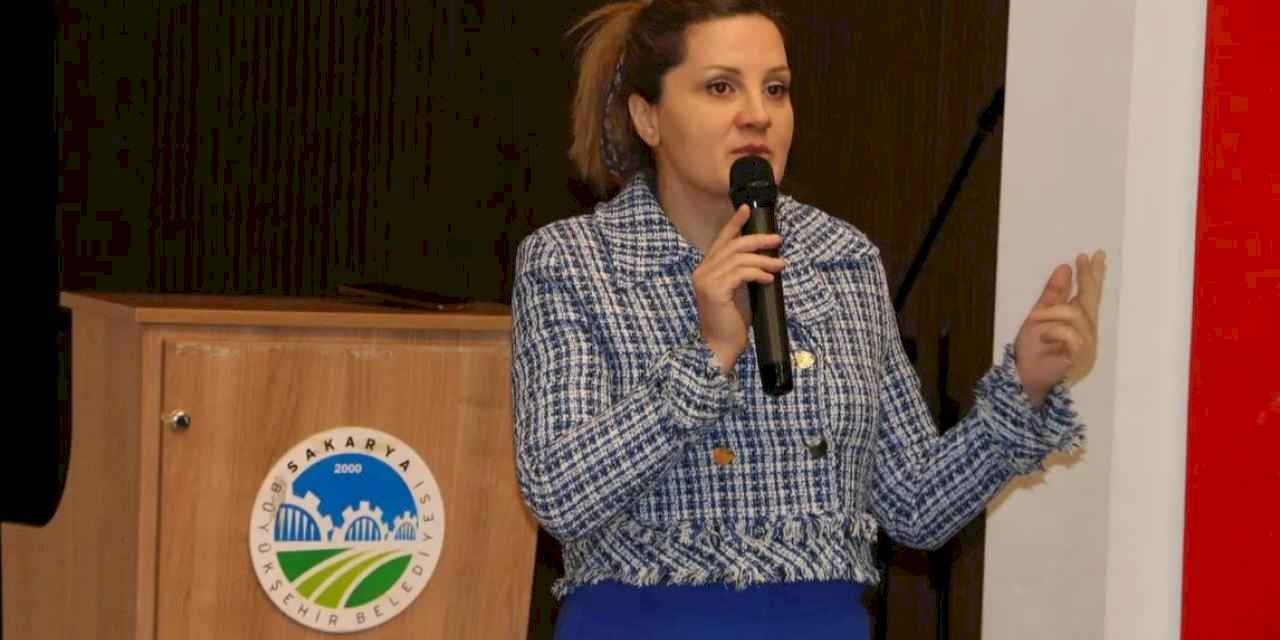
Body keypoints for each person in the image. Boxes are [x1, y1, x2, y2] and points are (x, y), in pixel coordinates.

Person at [509, 1, 1107, 638]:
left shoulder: (840, 259)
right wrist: (707, 355)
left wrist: (1026, 386)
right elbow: (559, 495)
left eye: (776, 88)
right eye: (721, 88)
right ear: (647, 117)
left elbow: (915, 504)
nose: (757, 114)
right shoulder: (574, 262)